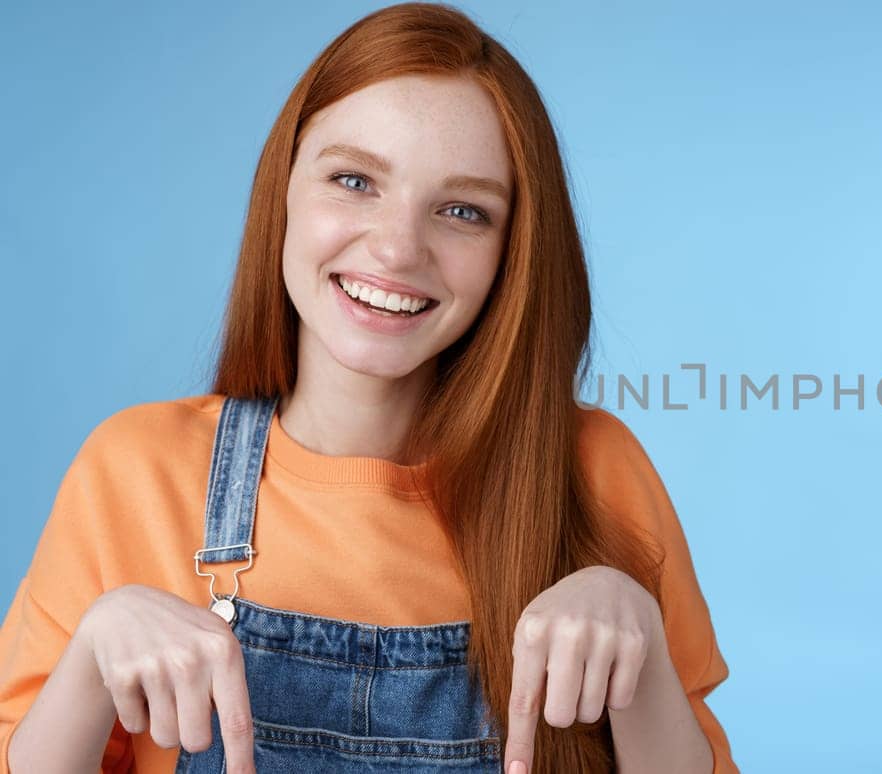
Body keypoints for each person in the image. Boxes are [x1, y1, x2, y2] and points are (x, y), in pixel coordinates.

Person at [0, 3, 737, 773]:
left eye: (462, 211)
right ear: (281, 188)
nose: (396, 247)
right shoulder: (134, 472)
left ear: (512, 253)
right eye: (355, 180)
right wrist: (91, 657)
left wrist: (642, 641)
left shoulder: (593, 470)